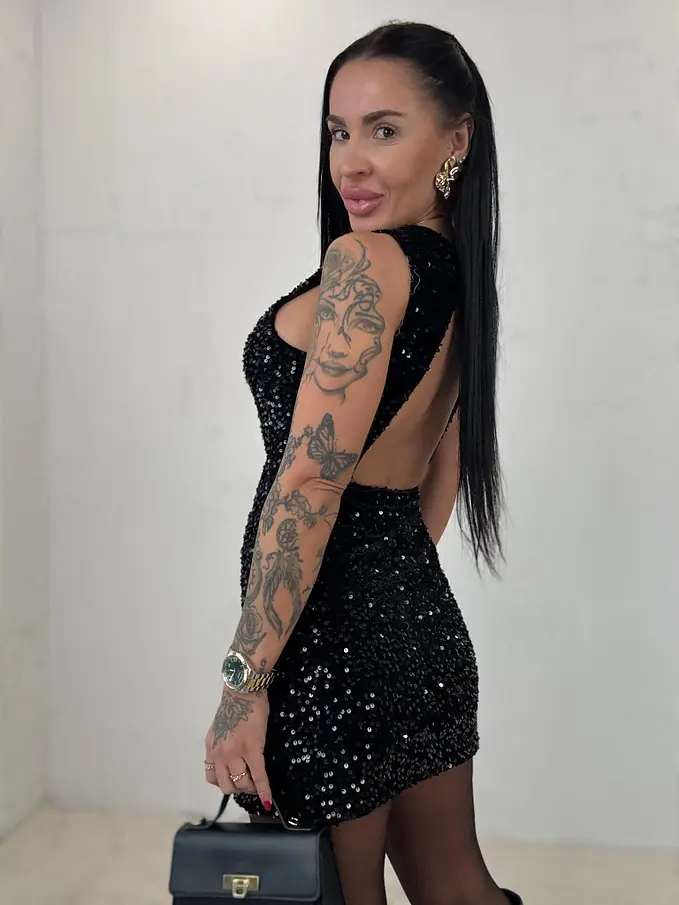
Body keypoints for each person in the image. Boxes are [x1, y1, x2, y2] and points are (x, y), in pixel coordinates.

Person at [203, 20, 522, 905]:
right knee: (459, 888)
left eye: (384, 130)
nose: (350, 160)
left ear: (455, 140)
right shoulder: (459, 274)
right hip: (419, 632)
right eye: (338, 131)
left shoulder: (363, 263)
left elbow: (310, 478)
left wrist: (244, 682)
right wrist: (388, 605)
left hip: (325, 652)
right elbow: (439, 472)